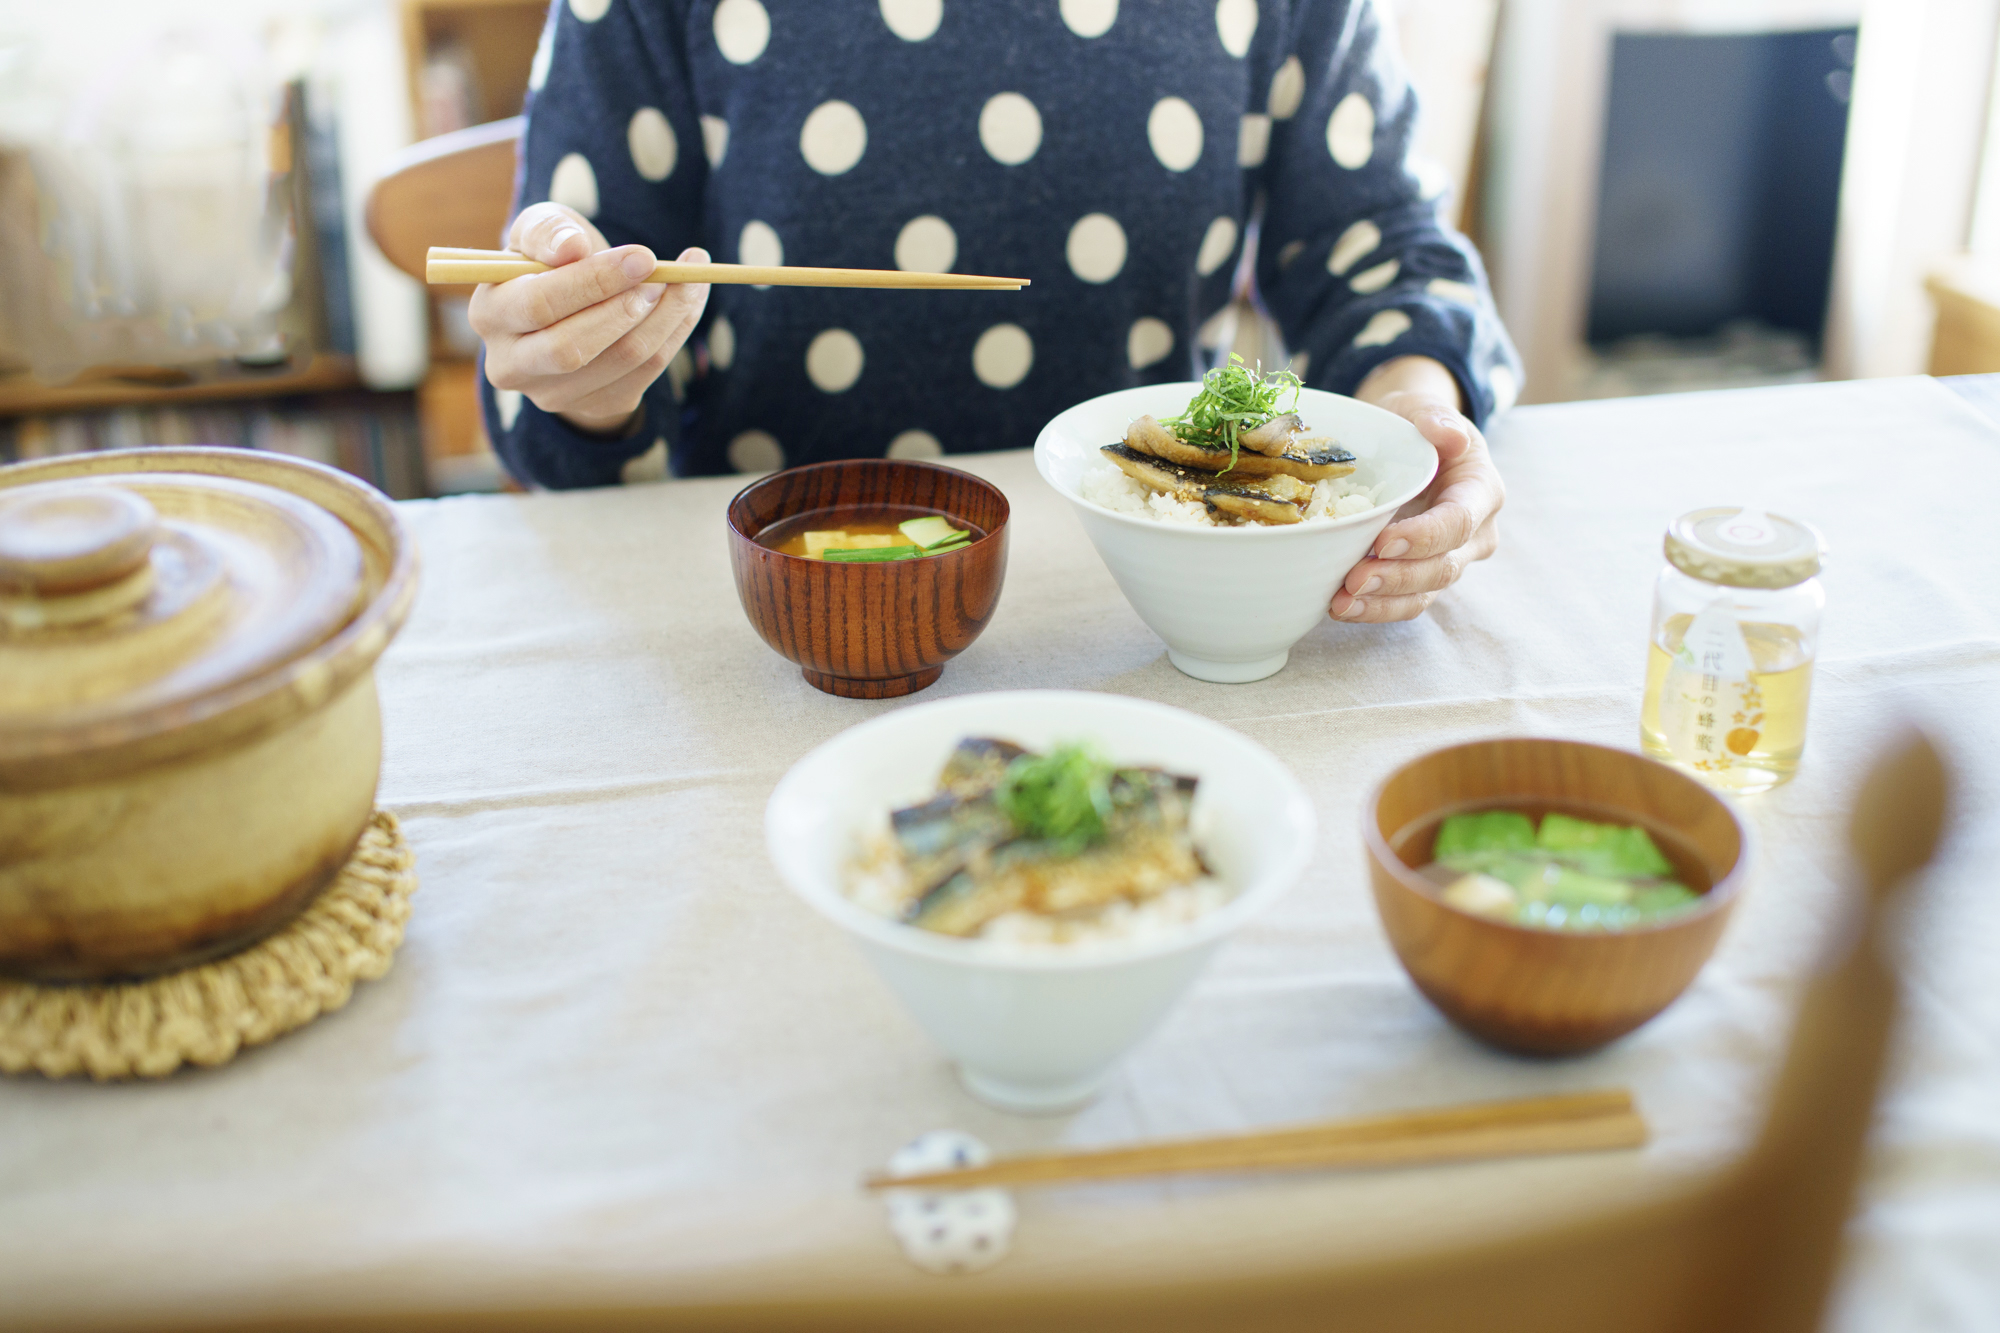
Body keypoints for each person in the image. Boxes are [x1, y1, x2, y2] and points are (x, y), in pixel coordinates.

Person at [472, 0, 1521, 624]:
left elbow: (1378, 247)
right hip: (767, 606)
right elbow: (573, 340)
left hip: (1158, 594)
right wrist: (583, 372)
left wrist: (1415, 415)